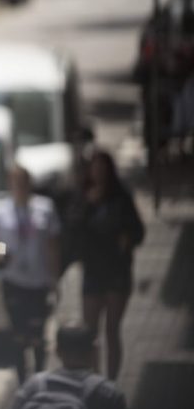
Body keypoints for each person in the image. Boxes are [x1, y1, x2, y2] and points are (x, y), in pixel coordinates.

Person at [67, 149, 144, 380]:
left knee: (112, 329)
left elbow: (138, 230)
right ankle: (93, 378)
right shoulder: (83, 197)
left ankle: (110, 381)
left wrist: (127, 240)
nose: (99, 173)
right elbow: (72, 228)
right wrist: (88, 205)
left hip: (117, 271)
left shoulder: (121, 197)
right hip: (93, 270)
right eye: (95, 168)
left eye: (103, 168)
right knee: (90, 331)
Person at [0, 165, 62, 383]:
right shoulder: (1, 212)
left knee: (37, 334)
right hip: (14, 280)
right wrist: (1, 255)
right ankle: (23, 381)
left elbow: (52, 245)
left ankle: (39, 377)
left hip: (38, 280)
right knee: (18, 335)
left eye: (23, 183)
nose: (20, 188)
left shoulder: (44, 208)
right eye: (15, 183)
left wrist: (54, 279)